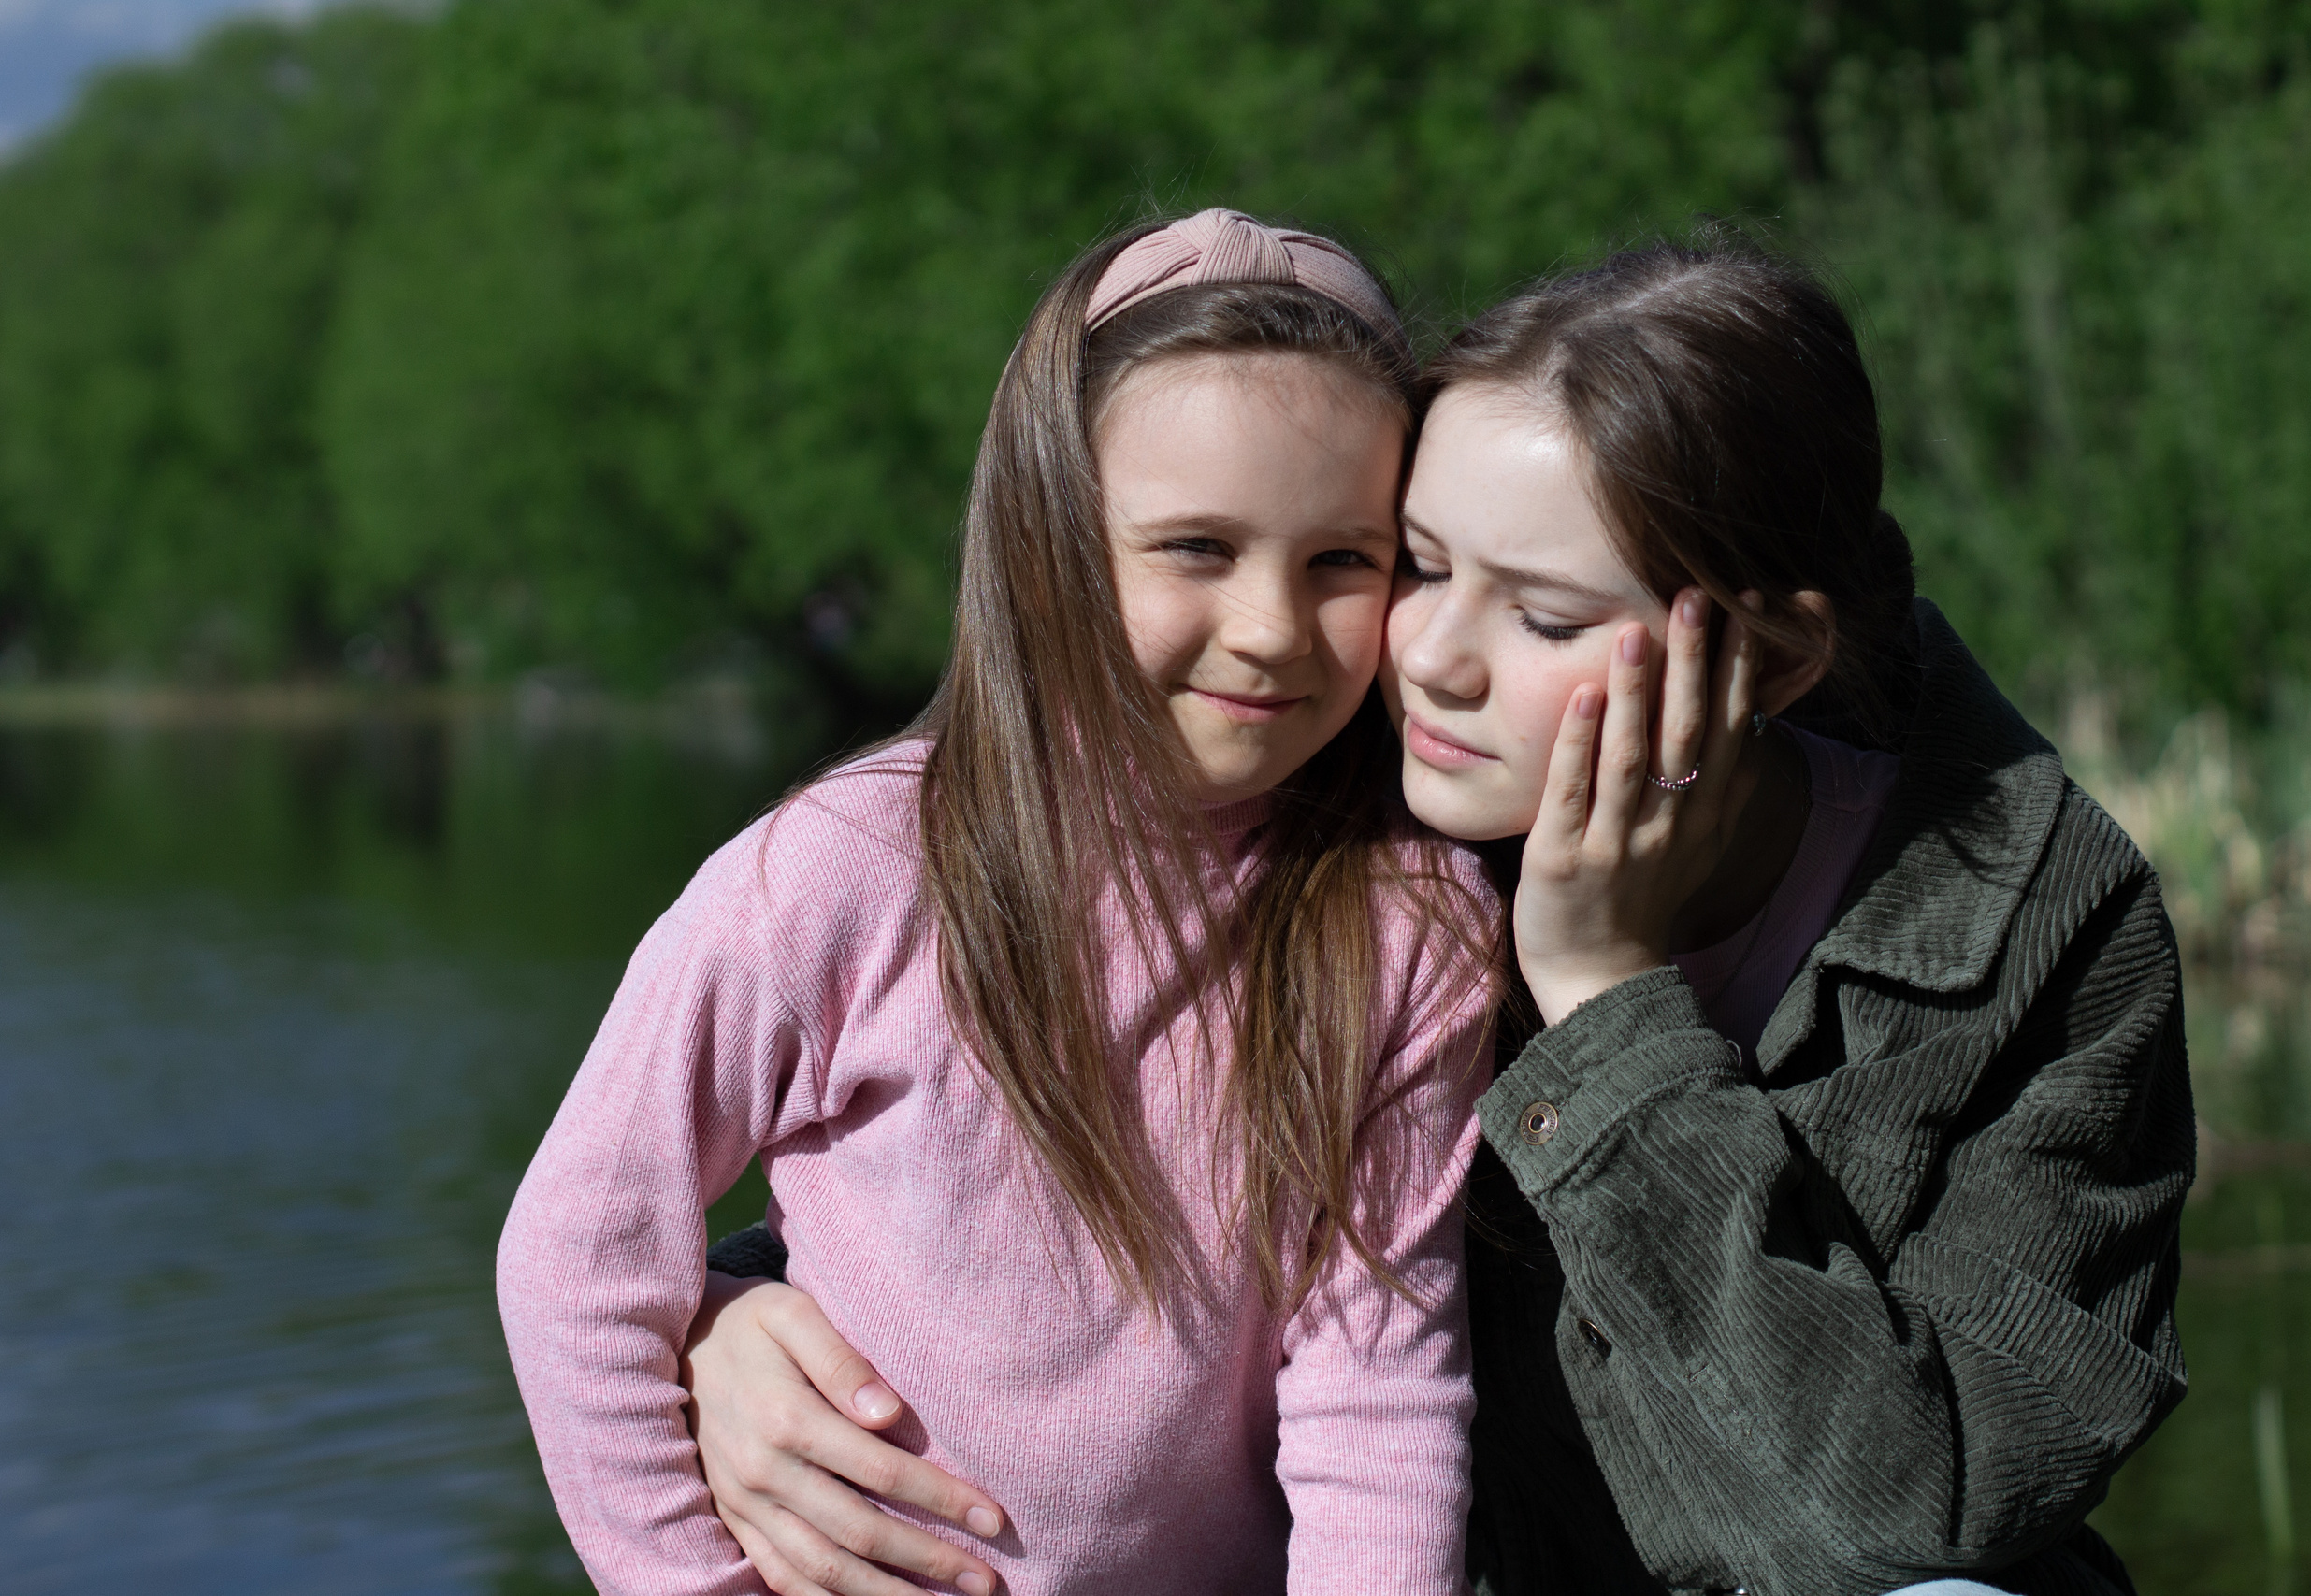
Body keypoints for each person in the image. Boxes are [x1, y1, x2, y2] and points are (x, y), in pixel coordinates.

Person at [677, 236, 2195, 1596]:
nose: (1435, 664)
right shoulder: (1343, 820)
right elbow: (1002, 1172)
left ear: (1778, 661)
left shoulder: (2041, 927)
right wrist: (729, 1319)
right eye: (1415, 566)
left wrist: (1605, 1008)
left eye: (1543, 617)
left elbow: (1924, 1514)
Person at [495, 208, 1502, 1596]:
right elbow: (582, 1257)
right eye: (1197, 548)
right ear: (1047, 548)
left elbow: (1378, 1389)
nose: (1273, 626)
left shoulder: (1406, 924)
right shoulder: (848, 867)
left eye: (1343, 561)